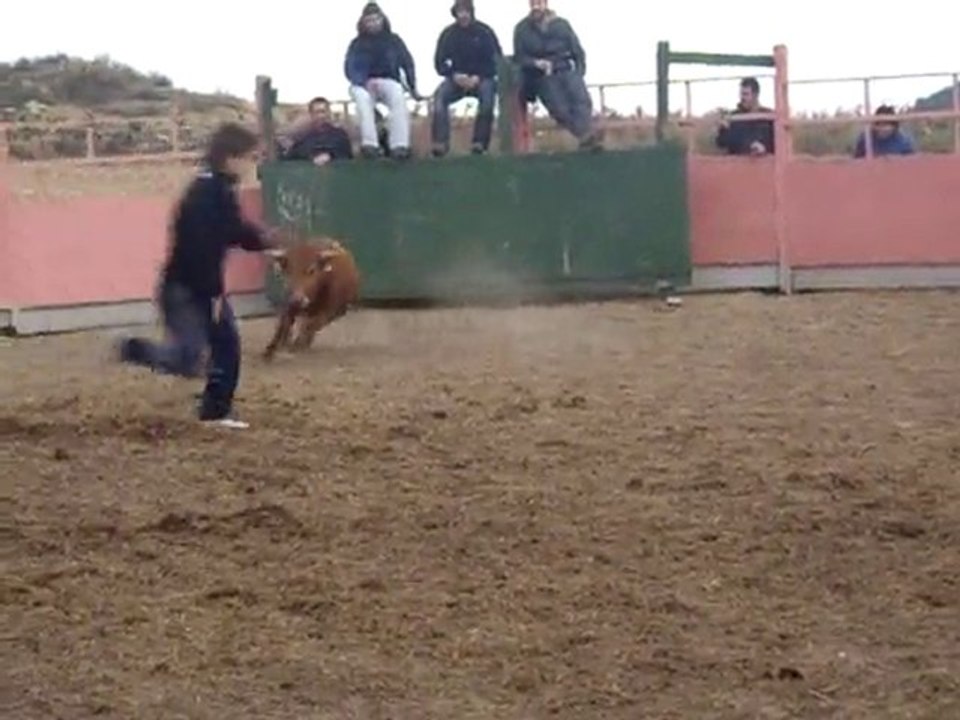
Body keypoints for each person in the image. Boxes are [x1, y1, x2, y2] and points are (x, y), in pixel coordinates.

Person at [116, 122, 276, 429]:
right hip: (188, 290)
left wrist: (264, 241)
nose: (252, 164)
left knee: (224, 346)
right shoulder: (209, 193)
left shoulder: (213, 188)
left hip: (189, 286)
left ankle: (215, 411)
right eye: (250, 157)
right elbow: (209, 242)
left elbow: (232, 230)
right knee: (189, 357)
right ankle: (132, 349)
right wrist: (214, 291)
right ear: (231, 157)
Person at [513, 0, 600, 150]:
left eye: (539, 3)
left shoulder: (562, 25)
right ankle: (585, 136)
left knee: (582, 103)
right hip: (542, 76)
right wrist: (535, 63)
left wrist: (579, 72)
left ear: (545, 4)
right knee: (559, 109)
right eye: (533, 3)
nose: (536, 7)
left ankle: (585, 138)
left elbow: (577, 49)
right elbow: (519, 57)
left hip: (566, 68)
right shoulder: (522, 29)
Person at [344, 2, 421, 159]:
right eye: (369, 20)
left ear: (382, 20)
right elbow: (349, 67)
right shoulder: (357, 44)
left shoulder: (393, 41)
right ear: (363, 23)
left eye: (376, 19)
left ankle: (399, 146)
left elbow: (407, 63)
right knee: (363, 99)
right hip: (363, 84)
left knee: (398, 94)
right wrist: (362, 81)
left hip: (388, 80)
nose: (373, 23)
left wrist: (413, 87)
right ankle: (370, 145)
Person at [430, 0, 503, 156]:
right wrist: (453, 75)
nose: (463, 16)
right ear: (455, 14)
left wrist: (479, 76)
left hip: (482, 78)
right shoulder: (448, 34)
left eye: (466, 12)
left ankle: (480, 143)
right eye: (459, 12)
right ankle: (440, 143)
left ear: (471, 12)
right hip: (456, 79)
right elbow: (439, 62)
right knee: (439, 98)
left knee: (488, 98)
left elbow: (497, 61)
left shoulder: (485, 32)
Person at [280, 97, 354, 165]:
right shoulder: (305, 137)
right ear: (311, 115)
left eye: (323, 112)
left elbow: (346, 155)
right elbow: (293, 156)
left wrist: (330, 156)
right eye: (317, 112)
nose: (321, 116)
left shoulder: (340, 135)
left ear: (329, 113)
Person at [715, 77, 775, 156]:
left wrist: (764, 149)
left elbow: (778, 145)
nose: (742, 98)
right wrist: (723, 129)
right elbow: (721, 143)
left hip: (763, 166)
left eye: (745, 94)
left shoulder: (769, 117)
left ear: (756, 95)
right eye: (741, 94)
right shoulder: (734, 117)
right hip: (737, 166)